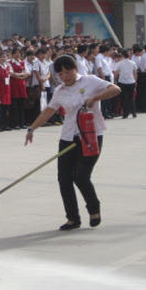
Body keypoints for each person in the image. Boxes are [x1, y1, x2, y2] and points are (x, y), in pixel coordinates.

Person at [25, 54, 120, 230]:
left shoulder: (90, 81)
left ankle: (94, 208)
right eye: (61, 74)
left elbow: (115, 89)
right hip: (68, 137)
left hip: (91, 136)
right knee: (64, 179)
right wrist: (32, 128)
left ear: (75, 69)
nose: (65, 76)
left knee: (81, 176)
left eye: (68, 72)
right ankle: (72, 218)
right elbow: (48, 111)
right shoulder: (60, 91)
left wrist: (94, 98)